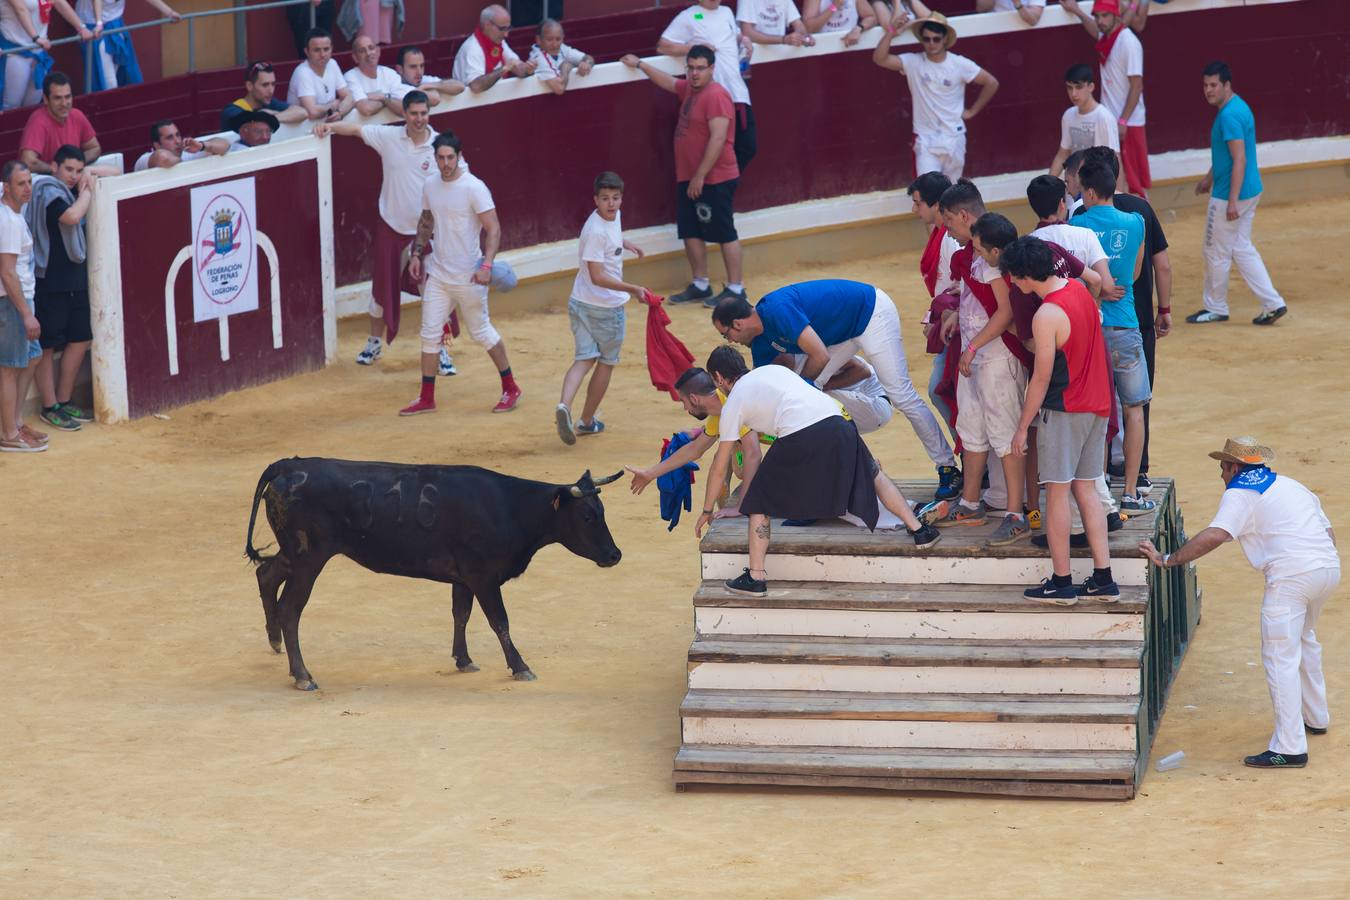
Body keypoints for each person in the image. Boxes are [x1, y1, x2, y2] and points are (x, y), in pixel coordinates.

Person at [1140, 437, 1339, 769]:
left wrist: (1168, 558)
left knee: (1279, 656)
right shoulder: (1292, 485)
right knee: (1305, 639)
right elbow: (1328, 530)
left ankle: (1290, 747)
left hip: (1291, 577)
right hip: (1327, 569)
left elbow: (1218, 533)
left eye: (1222, 468)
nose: (1221, 475)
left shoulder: (1240, 491)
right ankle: (1316, 716)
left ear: (1234, 467)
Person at [694, 345, 942, 596]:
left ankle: (756, 578)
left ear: (719, 377)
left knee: (758, 501)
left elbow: (719, 467)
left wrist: (706, 510)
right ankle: (921, 531)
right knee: (874, 475)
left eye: (717, 383)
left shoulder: (734, 400)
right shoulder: (772, 371)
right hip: (838, 419)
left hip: (801, 430)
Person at [712, 279, 962, 500]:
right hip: (843, 333)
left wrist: (800, 390)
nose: (730, 342)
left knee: (901, 395)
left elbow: (819, 356)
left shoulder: (777, 309)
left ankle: (947, 468)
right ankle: (844, 474)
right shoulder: (760, 344)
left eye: (726, 335)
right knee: (811, 396)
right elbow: (768, 389)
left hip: (871, 312)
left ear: (737, 323)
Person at [315, 91, 461, 375]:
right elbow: (356, 129)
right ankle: (373, 342)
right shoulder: (389, 137)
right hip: (392, 227)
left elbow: (460, 181)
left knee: (434, 293)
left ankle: (441, 350)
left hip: (428, 233)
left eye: (424, 113)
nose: (419, 119)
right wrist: (329, 127)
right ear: (404, 114)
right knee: (380, 292)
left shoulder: (441, 145)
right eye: (414, 114)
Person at [1004, 236, 1116, 604]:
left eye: (1014, 278)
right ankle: (1103, 577)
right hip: (1097, 405)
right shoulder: (1081, 290)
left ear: (1024, 276)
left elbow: (1041, 376)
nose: (1012, 284)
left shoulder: (1046, 315)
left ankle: (1062, 581)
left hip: (1065, 409)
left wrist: (1022, 427)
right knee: (1087, 489)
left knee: (1056, 493)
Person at [934, 188, 1032, 544]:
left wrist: (972, 346)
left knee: (1005, 434)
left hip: (995, 359)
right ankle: (971, 501)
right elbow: (978, 302)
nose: (946, 230)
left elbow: (1005, 312)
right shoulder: (978, 254)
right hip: (977, 359)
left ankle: (1015, 513)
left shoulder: (994, 260)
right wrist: (958, 317)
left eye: (948, 220)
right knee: (971, 427)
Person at [1075, 145, 1172, 491]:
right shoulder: (1136, 220)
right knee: (1134, 408)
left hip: (1091, 330)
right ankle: (1132, 487)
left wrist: (1099, 288)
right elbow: (1133, 274)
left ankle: (1098, 486)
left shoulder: (1077, 224)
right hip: (1128, 324)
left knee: (1099, 413)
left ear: (1088, 190)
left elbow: (1076, 277)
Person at [404, 131, 521, 416]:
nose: (445, 163)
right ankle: (427, 397)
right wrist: (417, 253)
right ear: (435, 158)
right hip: (440, 276)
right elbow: (427, 220)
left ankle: (511, 387)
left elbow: (493, 228)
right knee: (429, 334)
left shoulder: (473, 187)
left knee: (481, 331)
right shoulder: (430, 185)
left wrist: (486, 266)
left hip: (469, 276)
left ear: (459, 157)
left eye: (450, 157)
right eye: (441, 158)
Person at [622, 46, 745, 309]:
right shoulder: (690, 89)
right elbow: (668, 81)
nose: (694, 73)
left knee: (724, 231)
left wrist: (700, 176)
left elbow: (719, 138)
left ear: (712, 68)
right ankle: (700, 283)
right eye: (690, 67)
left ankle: (736, 288)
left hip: (715, 177)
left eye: (700, 68)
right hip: (689, 175)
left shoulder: (717, 95)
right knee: (690, 229)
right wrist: (641, 64)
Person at [1188, 61, 1287, 326]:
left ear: (1226, 85)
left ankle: (1215, 306)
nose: (1208, 90)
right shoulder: (1238, 107)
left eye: (1213, 85)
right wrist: (1208, 178)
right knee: (1241, 247)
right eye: (1205, 85)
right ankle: (1273, 302)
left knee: (1215, 250)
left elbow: (1239, 159)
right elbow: (1229, 157)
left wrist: (1231, 199)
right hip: (1249, 189)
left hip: (1230, 194)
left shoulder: (1229, 116)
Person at [556, 171, 646, 444]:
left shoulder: (608, 219)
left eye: (616, 198)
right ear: (595, 199)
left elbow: (611, 237)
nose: (611, 204)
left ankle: (564, 406)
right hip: (605, 309)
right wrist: (633, 288)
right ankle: (585, 421)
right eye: (605, 199)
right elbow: (597, 276)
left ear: (621, 198)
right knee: (605, 363)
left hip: (580, 302)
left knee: (584, 359)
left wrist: (624, 243)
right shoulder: (595, 231)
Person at [871, 12, 999, 181]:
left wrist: (972, 111)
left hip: (954, 137)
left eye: (936, 39)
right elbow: (880, 59)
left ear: (945, 39)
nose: (931, 44)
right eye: (927, 39)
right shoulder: (913, 62)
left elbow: (991, 82)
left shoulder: (959, 64)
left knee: (951, 195)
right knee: (929, 193)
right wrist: (892, 32)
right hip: (925, 140)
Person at [625, 365, 763, 513]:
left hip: (784, 441)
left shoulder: (731, 407)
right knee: (727, 454)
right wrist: (649, 474)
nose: (685, 408)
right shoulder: (720, 409)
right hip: (777, 435)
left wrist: (740, 507)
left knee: (736, 464)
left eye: (683, 401)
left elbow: (753, 455)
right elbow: (695, 449)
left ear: (694, 398)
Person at [26, 144, 93, 432]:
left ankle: (64, 400)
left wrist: (89, 172)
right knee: (47, 344)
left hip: (75, 278)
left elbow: (115, 170)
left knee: (81, 338)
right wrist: (88, 189)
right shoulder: (48, 192)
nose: (74, 176)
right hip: (49, 281)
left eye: (78, 170)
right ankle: (49, 405)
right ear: (53, 167)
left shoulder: (72, 188)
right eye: (69, 169)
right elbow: (71, 217)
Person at [657, 0, 757, 175]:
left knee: (747, 147)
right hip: (713, 96)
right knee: (720, 149)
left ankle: (714, 186)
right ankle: (711, 187)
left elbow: (734, 35)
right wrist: (693, 48)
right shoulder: (689, 16)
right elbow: (663, 46)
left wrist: (745, 39)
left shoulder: (726, 12)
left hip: (738, 93)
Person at [1061, 0, 1149, 197]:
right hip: (1113, 121)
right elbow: (1095, 30)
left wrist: (1123, 120)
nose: (1100, 21)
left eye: (1105, 15)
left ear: (1116, 15)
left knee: (1134, 184)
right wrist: (1077, 11)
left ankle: (1144, 223)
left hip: (1129, 122)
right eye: (1097, 16)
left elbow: (1137, 86)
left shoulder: (1129, 42)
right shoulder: (1109, 37)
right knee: (1113, 176)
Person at [909, 170, 960, 452]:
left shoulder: (950, 239)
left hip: (952, 323)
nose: (915, 210)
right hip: (945, 319)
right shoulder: (942, 234)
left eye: (918, 203)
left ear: (936, 205)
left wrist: (937, 319)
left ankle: (974, 460)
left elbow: (955, 285)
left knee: (940, 391)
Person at [0, 160, 45, 452]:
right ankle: (8, 435)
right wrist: (26, 314)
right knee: (9, 369)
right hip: (12, 302)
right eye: (20, 183)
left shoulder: (11, 215)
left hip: (19, 298)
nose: (27, 188)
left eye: (29, 182)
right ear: (7, 188)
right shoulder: (8, 221)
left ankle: (14, 423)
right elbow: (7, 271)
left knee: (32, 357)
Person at [0, 0, 87, 111]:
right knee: (11, 105)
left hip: (39, 53)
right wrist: (36, 38)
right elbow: (20, 9)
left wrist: (81, 27)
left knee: (33, 104)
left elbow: (60, 2)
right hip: (15, 51)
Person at [77, 0, 181, 92]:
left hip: (115, 24)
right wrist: (99, 23)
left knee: (121, 73)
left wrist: (169, 12)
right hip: (94, 27)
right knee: (109, 81)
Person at [18, 73, 100, 175]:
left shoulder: (77, 115)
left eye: (67, 97)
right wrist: (57, 171)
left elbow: (94, 148)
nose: (64, 103)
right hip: (48, 182)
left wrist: (75, 166)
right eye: (57, 98)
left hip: (73, 179)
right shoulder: (38, 121)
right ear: (46, 99)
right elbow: (28, 161)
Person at [1050, 63, 1119, 177]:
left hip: (1099, 189)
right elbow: (1063, 154)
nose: (1073, 93)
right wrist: (1047, 186)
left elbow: (1115, 161)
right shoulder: (1068, 115)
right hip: (1075, 187)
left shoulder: (1104, 117)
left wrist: (1116, 194)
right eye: (1069, 87)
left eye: (1079, 87)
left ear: (1091, 87)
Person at [453, 5, 535, 92]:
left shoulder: (499, 42)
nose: (506, 34)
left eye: (508, 28)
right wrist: (504, 69)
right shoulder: (472, 48)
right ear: (487, 25)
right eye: (502, 29)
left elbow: (517, 67)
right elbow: (476, 86)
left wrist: (528, 69)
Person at [287, 28, 355, 122]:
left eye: (326, 49)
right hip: (302, 131)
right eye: (317, 50)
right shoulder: (302, 72)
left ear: (331, 49)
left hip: (324, 127)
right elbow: (312, 112)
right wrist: (333, 106)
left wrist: (340, 112)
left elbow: (350, 97)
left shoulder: (332, 63)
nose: (322, 54)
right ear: (307, 52)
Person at [220, 61, 307, 132]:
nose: (271, 90)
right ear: (249, 86)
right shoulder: (231, 110)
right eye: (265, 85)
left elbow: (302, 112)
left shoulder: (269, 102)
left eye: (273, 84)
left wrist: (272, 117)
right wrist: (269, 116)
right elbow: (253, 123)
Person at [344, 35, 405, 118]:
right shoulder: (350, 77)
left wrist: (383, 98)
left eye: (371, 48)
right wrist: (388, 99)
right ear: (355, 58)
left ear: (378, 51)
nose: (368, 53)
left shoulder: (390, 74)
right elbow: (366, 109)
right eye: (362, 51)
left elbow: (403, 107)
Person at [529, 18, 594, 96]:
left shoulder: (562, 48)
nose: (555, 44)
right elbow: (559, 88)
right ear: (539, 40)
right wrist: (566, 66)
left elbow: (588, 58)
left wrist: (586, 64)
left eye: (558, 39)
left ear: (563, 38)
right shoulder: (538, 58)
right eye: (549, 40)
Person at [132, 120, 229, 172]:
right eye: (170, 138)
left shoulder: (187, 151)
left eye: (178, 135)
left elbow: (225, 144)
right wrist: (185, 162)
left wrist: (201, 146)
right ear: (157, 145)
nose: (177, 141)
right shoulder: (144, 159)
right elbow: (163, 158)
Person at [391, 46, 464, 107]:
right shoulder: (395, 86)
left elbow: (460, 86)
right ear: (399, 69)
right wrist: (429, 87)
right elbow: (435, 99)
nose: (419, 72)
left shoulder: (423, 80)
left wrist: (426, 86)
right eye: (413, 67)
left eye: (422, 66)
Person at [800, 0, 877, 48]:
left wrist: (858, 29)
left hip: (850, 46)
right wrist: (834, 6)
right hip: (823, 49)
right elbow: (809, 28)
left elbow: (871, 17)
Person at [737, 0, 812, 47]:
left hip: (779, 57)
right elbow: (747, 33)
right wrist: (783, 40)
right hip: (755, 59)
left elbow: (799, 26)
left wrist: (803, 38)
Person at [975, 0, 1044, 26]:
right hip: (996, 36)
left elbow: (1033, 20)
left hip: (1027, 38)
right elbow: (982, 9)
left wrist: (1017, 3)